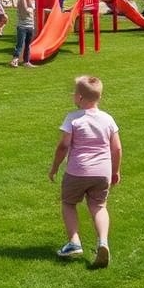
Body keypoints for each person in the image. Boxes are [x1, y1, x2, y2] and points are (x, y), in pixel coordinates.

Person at [48, 75, 121, 268]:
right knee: (99, 206)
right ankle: (103, 242)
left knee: (68, 203)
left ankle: (74, 242)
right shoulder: (108, 119)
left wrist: (55, 167)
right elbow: (117, 148)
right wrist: (115, 171)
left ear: (80, 98)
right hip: (102, 172)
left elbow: (64, 145)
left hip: (78, 171)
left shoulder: (73, 118)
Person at [10, 0, 36, 68]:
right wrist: (30, 7)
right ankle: (14, 60)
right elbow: (25, 11)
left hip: (30, 25)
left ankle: (26, 62)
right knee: (20, 44)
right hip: (22, 26)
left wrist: (30, 1)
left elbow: (32, 9)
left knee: (28, 45)